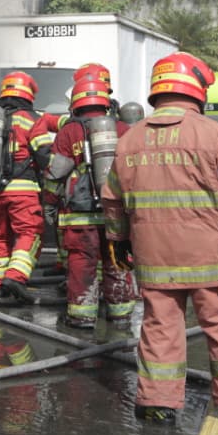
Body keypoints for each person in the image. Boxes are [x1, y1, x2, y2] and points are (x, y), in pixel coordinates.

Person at [100, 52, 218, 428]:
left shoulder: (130, 140)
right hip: (212, 257)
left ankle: (158, 404)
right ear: (196, 90)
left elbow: (112, 200)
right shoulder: (214, 135)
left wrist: (118, 241)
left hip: (154, 259)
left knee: (160, 328)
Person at [43, 74, 135, 328]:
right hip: (117, 212)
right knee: (117, 261)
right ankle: (120, 313)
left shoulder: (69, 131)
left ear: (76, 103)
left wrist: (49, 203)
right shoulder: (122, 129)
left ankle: (82, 315)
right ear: (106, 102)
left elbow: (56, 173)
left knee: (82, 264)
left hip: (81, 216)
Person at [0, 71, 46, 301]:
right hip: (23, 190)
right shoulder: (32, 119)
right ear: (29, 94)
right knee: (30, 233)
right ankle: (15, 277)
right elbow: (43, 154)